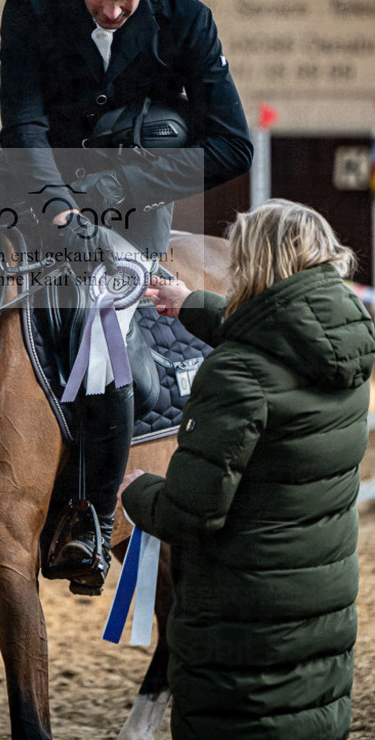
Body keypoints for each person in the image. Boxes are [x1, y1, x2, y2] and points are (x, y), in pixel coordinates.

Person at [0, 0, 253, 592]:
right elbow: (20, 116)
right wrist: (54, 202)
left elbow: (231, 143)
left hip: (133, 209)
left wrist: (114, 183)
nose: (113, 12)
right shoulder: (29, 4)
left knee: (97, 321)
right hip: (35, 184)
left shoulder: (187, 20)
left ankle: (89, 510)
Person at [120, 199, 375, 740]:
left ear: (256, 262)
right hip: (318, 614)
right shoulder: (345, 349)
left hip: (240, 626)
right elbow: (277, 337)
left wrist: (137, 492)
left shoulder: (236, 373)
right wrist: (191, 305)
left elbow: (191, 512)